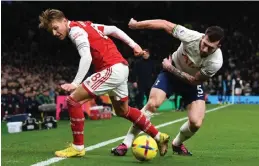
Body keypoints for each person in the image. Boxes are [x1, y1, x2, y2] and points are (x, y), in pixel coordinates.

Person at [38, 9, 169, 158]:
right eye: (51, 31)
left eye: (55, 28)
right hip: (121, 68)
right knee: (122, 111)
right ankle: (159, 137)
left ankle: (77, 147)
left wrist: (75, 83)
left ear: (64, 20)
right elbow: (113, 30)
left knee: (73, 100)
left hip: (111, 69)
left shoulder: (75, 31)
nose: (55, 33)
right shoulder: (86, 25)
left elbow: (86, 57)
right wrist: (134, 45)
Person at [111, 18, 224, 156]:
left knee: (195, 123)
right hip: (169, 76)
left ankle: (177, 144)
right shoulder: (191, 36)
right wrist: (136, 25)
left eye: (210, 47)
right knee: (152, 104)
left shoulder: (216, 62)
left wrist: (171, 68)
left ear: (218, 46)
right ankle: (125, 144)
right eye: (204, 43)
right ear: (203, 36)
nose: (205, 49)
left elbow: (194, 81)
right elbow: (164, 24)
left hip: (188, 82)